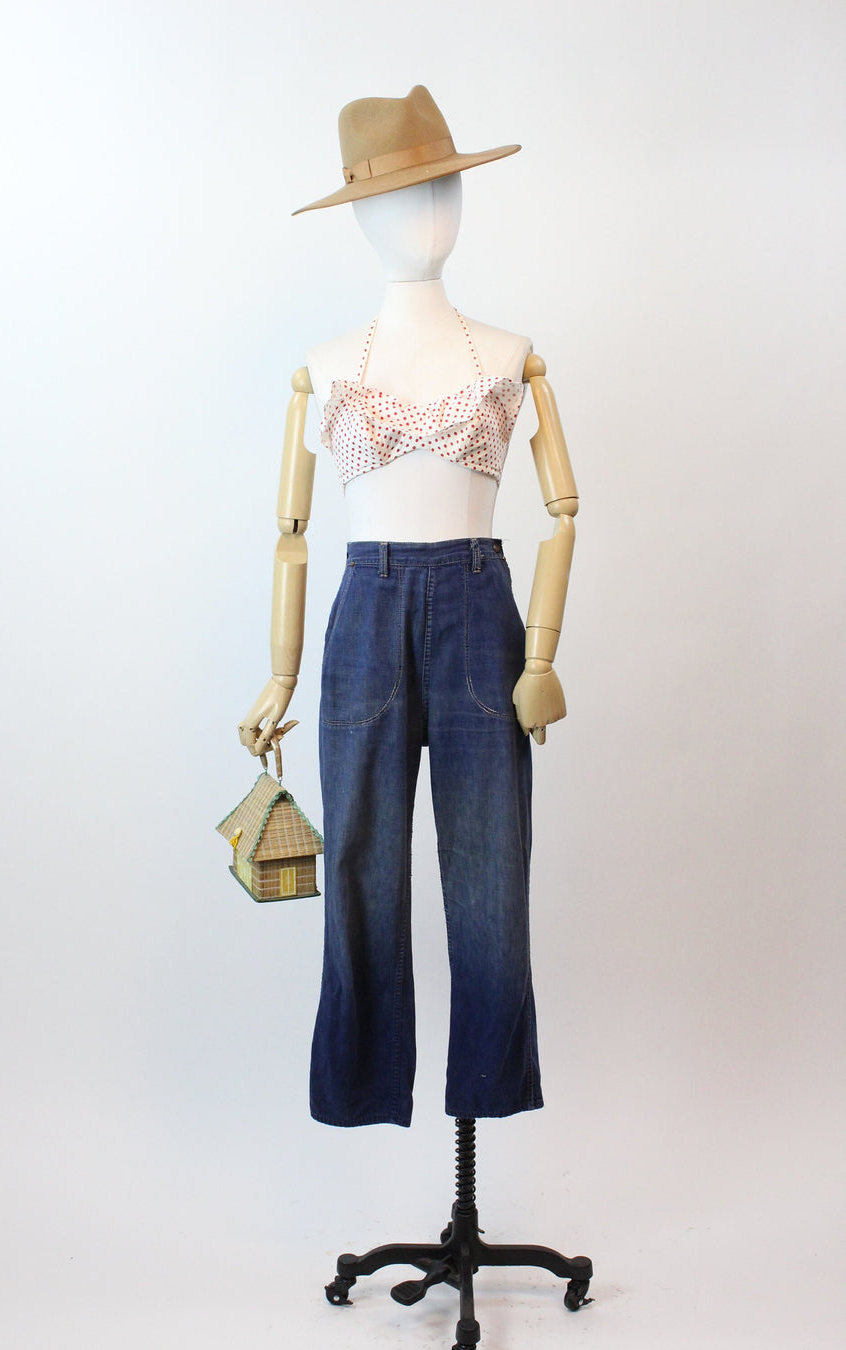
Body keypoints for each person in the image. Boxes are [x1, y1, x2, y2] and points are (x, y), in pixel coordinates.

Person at [239, 87, 578, 1128]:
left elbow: (564, 510)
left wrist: (542, 658)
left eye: (445, 188)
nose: (429, 212)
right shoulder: (322, 368)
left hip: (480, 613)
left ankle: (487, 1087)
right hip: (366, 611)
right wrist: (281, 675)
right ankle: (365, 1083)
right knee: (360, 868)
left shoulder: (512, 353)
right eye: (401, 195)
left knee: (490, 875)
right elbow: (292, 534)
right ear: (360, 215)